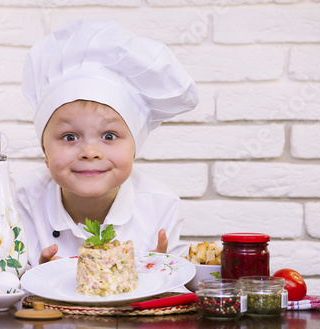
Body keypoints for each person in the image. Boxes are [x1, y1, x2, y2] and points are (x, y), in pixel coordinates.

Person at [13, 19, 198, 267]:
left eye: (109, 136)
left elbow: (178, 289)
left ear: (135, 148)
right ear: (45, 151)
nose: (90, 152)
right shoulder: (16, 202)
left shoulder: (161, 207)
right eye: (70, 137)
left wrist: (158, 276)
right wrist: (32, 279)